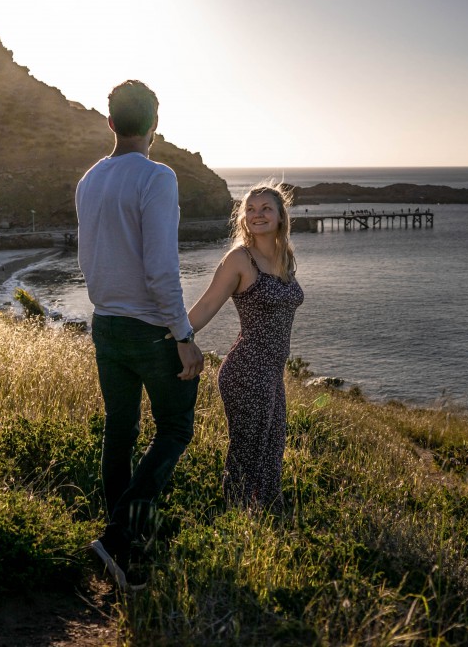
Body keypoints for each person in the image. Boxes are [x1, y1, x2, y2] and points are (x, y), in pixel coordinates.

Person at [76, 79, 204, 589]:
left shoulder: (90, 179)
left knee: (121, 431)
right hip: (151, 329)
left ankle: (121, 541)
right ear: (155, 124)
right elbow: (161, 269)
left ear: (110, 122)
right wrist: (184, 333)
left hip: (105, 325)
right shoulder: (158, 177)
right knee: (174, 429)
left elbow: (90, 257)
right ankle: (119, 540)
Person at [188, 184, 303, 509]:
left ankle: (266, 519)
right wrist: (177, 337)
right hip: (246, 371)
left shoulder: (285, 258)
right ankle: (236, 522)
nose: (257, 214)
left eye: (266, 208)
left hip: (271, 374)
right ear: (242, 218)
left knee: (272, 449)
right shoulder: (240, 259)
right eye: (250, 209)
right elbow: (207, 305)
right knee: (247, 452)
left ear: (281, 215)